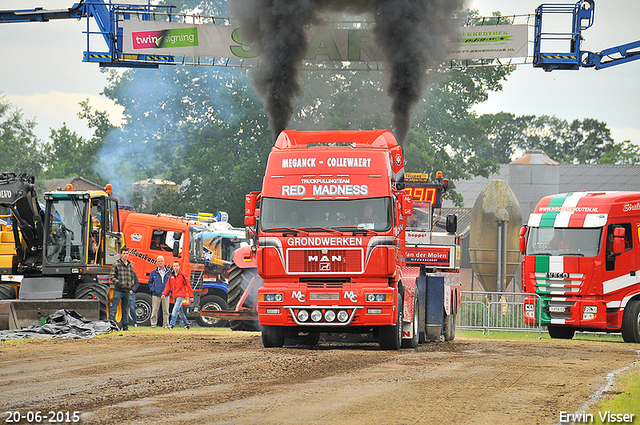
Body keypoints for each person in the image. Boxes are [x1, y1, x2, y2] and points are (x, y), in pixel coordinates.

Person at [109, 246, 137, 331]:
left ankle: (125, 327)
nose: (125, 255)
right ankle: (112, 326)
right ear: (121, 254)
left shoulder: (130, 265)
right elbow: (112, 277)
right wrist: (119, 284)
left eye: (127, 253)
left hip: (127, 291)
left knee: (125, 310)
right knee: (114, 309)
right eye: (124, 253)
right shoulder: (116, 264)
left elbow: (132, 277)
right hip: (118, 290)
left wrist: (131, 285)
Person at [162, 261, 194, 329]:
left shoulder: (182, 275)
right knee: (180, 311)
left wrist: (191, 296)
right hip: (175, 295)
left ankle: (171, 325)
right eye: (174, 266)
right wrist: (164, 294)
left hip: (181, 295)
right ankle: (187, 324)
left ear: (179, 267)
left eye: (177, 266)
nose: (175, 267)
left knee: (175, 309)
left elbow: (188, 285)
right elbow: (168, 286)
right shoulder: (171, 276)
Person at [148, 255, 171, 328]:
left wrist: (169, 290)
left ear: (164, 262)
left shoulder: (169, 272)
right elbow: (150, 282)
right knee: (154, 310)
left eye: (162, 261)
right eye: (159, 261)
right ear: (157, 262)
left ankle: (166, 325)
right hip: (156, 294)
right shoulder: (154, 272)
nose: (160, 263)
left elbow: (172, 282)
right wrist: (153, 289)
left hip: (166, 294)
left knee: (166, 311)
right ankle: (153, 324)